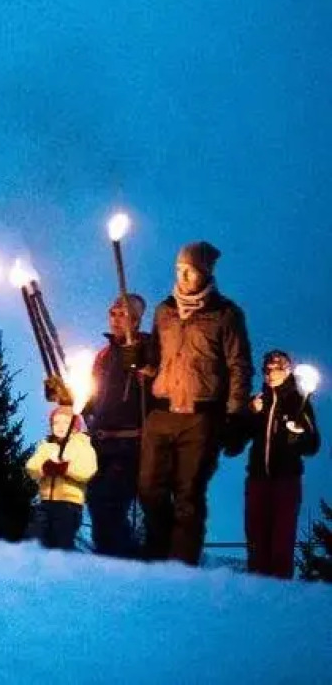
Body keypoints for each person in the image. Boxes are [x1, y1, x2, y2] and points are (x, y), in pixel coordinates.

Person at [138, 240, 253, 565]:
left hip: (201, 418)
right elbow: (155, 359)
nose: (183, 275)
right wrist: (141, 360)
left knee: (188, 494)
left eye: (190, 269)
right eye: (179, 269)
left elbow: (239, 366)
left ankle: (180, 567)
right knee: (148, 488)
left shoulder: (225, 314)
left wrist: (235, 414)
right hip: (162, 414)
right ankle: (158, 552)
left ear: (206, 272)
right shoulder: (165, 311)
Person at [234, 350, 321, 578]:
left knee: (281, 540)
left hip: (286, 480)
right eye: (267, 369)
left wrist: (298, 434)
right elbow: (237, 439)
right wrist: (250, 413)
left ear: (287, 371)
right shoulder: (258, 401)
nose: (270, 374)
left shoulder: (298, 402)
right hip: (257, 479)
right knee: (256, 538)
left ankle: (279, 589)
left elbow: (312, 445)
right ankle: (256, 587)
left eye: (276, 369)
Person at [81, 293, 151, 558]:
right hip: (101, 441)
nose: (115, 318)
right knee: (96, 502)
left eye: (123, 314)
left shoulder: (147, 347)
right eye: (112, 312)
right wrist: (73, 400)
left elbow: (160, 381)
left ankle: (122, 562)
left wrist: (143, 365)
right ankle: (111, 561)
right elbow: (95, 398)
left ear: (136, 320)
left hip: (129, 443)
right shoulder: (104, 355)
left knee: (111, 503)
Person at [26, 405, 99, 550]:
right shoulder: (46, 446)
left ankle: (62, 562)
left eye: (65, 422)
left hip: (69, 504)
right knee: (35, 537)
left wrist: (66, 468)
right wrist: (44, 468)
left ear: (75, 426)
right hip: (45, 502)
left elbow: (87, 470)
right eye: (56, 422)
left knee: (61, 542)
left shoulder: (81, 445)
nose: (60, 426)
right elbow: (31, 466)